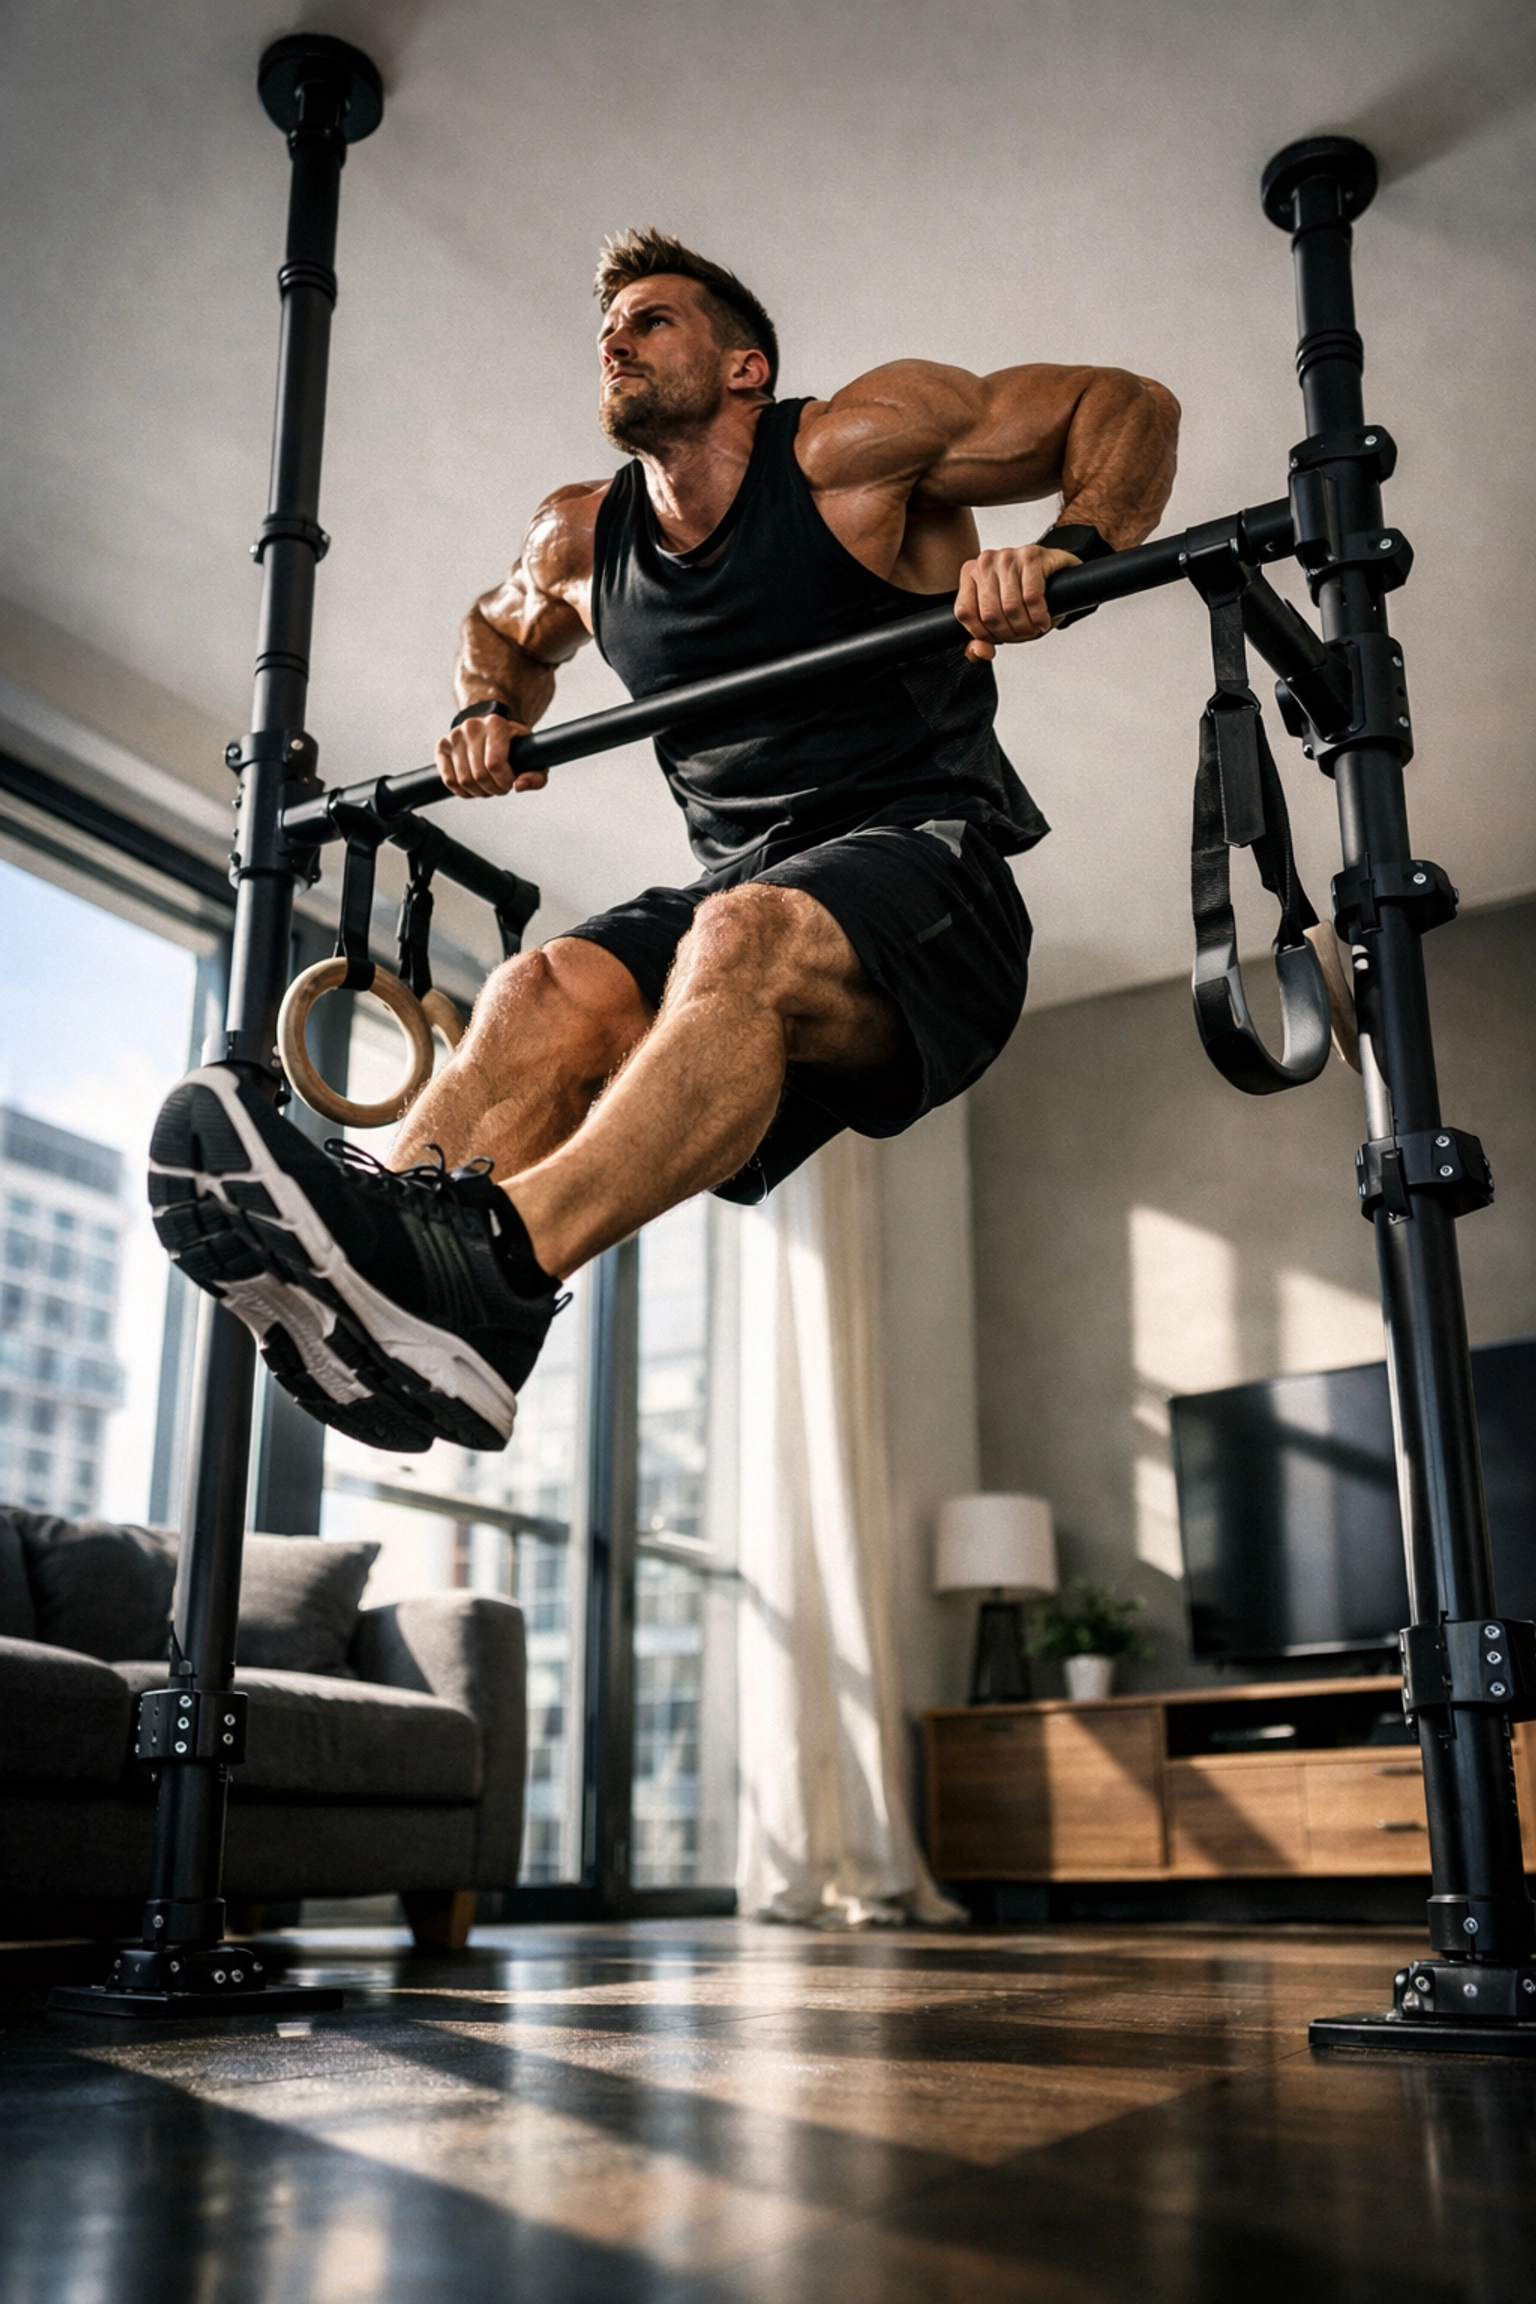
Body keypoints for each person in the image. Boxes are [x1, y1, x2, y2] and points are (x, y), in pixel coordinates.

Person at [149, 229, 1179, 1453]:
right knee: (544, 987)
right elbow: (501, 629)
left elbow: (1124, 407)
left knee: (739, 935)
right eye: (608, 329)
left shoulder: (853, 447)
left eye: (652, 320)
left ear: (744, 367)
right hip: (747, 886)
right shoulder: (580, 537)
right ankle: (394, 1270)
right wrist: (485, 710)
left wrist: (1072, 549)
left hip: (927, 866)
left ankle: (496, 1268)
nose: (616, 341)